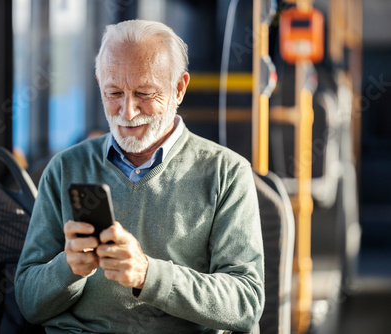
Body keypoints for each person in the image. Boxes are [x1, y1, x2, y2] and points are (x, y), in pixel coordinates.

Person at [15, 19, 264, 334]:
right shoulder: (65, 168)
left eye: (144, 93)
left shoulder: (226, 173)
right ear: (99, 84)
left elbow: (245, 303)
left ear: (179, 88)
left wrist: (149, 276)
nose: (127, 112)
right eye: (114, 92)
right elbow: (28, 303)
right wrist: (68, 269)